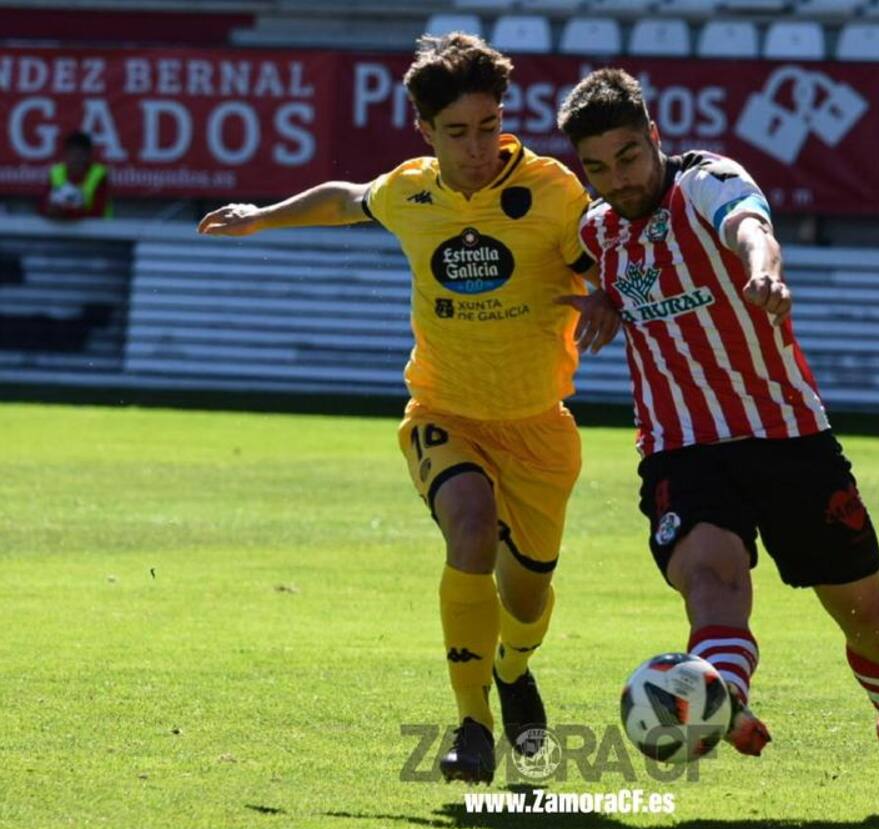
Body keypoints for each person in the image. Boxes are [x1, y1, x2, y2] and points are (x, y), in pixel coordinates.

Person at [198, 34, 618, 785]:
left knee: (525, 600)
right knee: (469, 528)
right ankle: (472, 725)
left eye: (489, 125)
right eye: (456, 132)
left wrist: (611, 299)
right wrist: (260, 217)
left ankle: (513, 670)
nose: (477, 146)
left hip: (538, 427)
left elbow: (609, 262)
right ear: (425, 131)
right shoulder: (411, 191)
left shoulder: (553, 193)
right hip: (442, 411)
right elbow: (346, 199)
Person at [556, 69, 879, 810]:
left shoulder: (705, 181)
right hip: (680, 448)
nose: (617, 178)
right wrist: (604, 302)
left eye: (628, 156)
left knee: (870, 622)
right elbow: (613, 276)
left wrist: (764, 274)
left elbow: (751, 227)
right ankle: (722, 703)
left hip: (786, 439)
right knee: (712, 583)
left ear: (654, 137)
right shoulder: (597, 231)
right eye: (598, 167)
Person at [41, 131, 112, 220]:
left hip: (96, 228)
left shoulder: (99, 175)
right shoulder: (55, 173)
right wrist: (51, 210)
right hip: (59, 227)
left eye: (81, 154)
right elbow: (42, 206)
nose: (77, 159)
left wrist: (66, 213)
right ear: (66, 154)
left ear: (88, 155)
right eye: (73, 153)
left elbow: (97, 212)